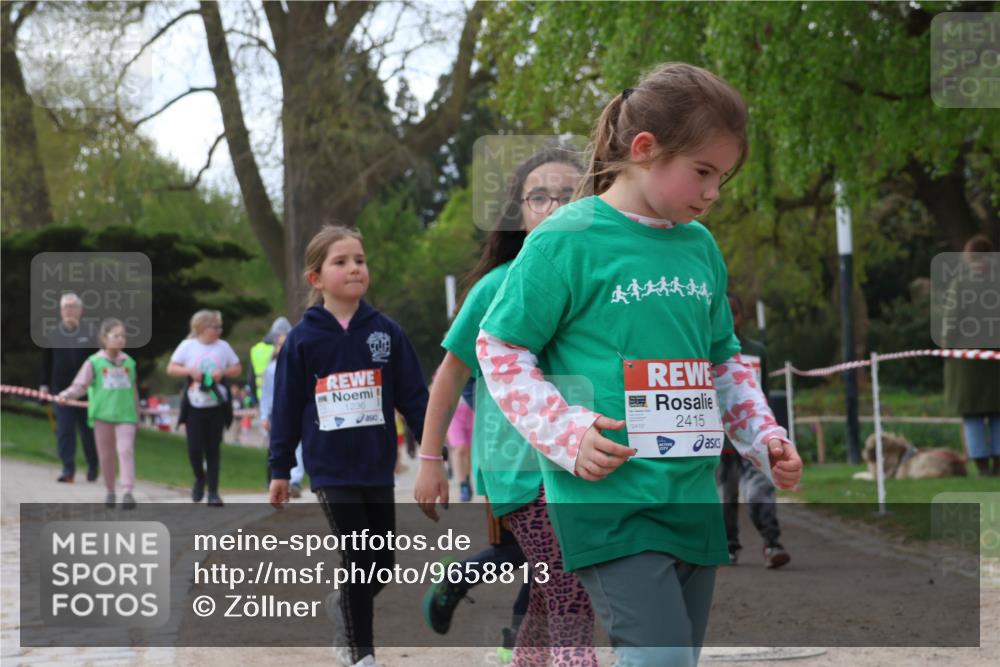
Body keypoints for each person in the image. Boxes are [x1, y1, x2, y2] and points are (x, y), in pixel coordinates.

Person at [476, 63, 803, 667]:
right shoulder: (564, 239)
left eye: (723, 177)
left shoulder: (701, 247)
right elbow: (500, 348)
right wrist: (566, 433)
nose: (714, 192)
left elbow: (724, 360)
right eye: (702, 172)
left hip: (692, 499)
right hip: (610, 503)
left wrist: (763, 436)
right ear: (645, 149)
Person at [414, 144, 598, 666]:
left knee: (546, 593)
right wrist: (430, 460)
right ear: (519, 211)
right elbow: (451, 374)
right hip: (520, 470)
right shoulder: (496, 286)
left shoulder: (599, 284)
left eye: (569, 196)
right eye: (539, 197)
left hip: (584, 461)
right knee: (570, 589)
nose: (555, 207)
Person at [268, 225, 428, 667]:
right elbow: (285, 409)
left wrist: (433, 452)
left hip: (376, 466)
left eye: (360, 260)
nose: (355, 268)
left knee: (382, 564)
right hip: (330, 469)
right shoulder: (302, 339)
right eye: (341, 262)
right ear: (316, 278)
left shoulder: (386, 332)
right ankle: (361, 654)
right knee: (358, 556)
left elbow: (415, 398)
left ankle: (343, 602)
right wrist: (279, 469)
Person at [716, 293, 790, 567]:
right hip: (721, 442)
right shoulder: (705, 351)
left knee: (760, 491)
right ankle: (728, 546)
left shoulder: (757, 352)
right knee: (725, 497)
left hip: (752, 439)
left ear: (743, 317)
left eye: (734, 313)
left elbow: (762, 395)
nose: (729, 319)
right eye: (724, 313)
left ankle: (772, 543)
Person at [57, 318, 140, 509]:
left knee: (125, 450)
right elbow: (80, 386)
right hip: (102, 416)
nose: (120, 339)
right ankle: (110, 490)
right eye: (116, 336)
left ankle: (127, 491)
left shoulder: (129, 363)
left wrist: (137, 414)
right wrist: (66, 395)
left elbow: (134, 391)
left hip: (126, 416)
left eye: (123, 336)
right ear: (104, 338)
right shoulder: (94, 362)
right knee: (106, 456)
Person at [167, 309, 243, 507]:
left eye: (220, 327)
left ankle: (213, 493)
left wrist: (222, 372)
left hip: (216, 404)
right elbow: (171, 368)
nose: (219, 331)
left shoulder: (223, 347)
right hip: (194, 404)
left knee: (213, 449)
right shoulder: (188, 346)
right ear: (202, 328)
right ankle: (200, 478)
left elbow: (237, 368)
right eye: (215, 327)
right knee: (194, 448)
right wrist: (189, 371)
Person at [943, 234, 1000, 477]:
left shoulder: (961, 284)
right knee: (998, 413)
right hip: (996, 359)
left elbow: (952, 321)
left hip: (967, 360)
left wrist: (947, 347)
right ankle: (998, 466)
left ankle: (982, 468)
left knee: (972, 414)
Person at [39, 292, 99, 483]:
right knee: (65, 431)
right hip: (62, 392)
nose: (69, 310)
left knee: (88, 433)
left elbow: (99, 362)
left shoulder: (91, 333)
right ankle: (68, 470)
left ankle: (93, 465)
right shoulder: (53, 334)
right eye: (65, 307)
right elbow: (46, 362)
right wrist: (44, 385)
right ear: (60, 311)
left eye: (73, 306)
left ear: (80, 310)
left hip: (87, 394)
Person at [260, 333, 305, 497]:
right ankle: (280, 477)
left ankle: (295, 480)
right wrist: (264, 415)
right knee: (279, 445)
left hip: (297, 409)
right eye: (279, 344)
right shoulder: (271, 368)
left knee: (299, 446)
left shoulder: (301, 362)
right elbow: (266, 394)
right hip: (277, 412)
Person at [248, 316, 292, 404]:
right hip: (283, 396)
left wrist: (254, 400)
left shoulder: (256, 350)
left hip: (262, 397)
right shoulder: (284, 347)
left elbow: (251, 378)